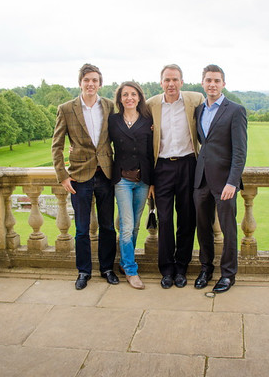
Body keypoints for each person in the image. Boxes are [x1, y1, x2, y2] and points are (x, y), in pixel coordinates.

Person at [51, 63, 119, 290]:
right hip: (79, 176)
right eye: (87, 80)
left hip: (106, 175)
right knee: (81, 229)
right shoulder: (67, 109)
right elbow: (56, 145)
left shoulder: (109, 106)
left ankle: (107, 268)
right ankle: (83, 271)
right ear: (80, 82)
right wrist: (62, 176)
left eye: (95, 80)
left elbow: (121, 136)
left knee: (108, 226)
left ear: (100, 83)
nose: (91, 84)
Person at [146, 64, 205, 289]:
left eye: (175, 80)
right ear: (161, 82)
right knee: (165, 220)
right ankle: (167, 270)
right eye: (167, 80)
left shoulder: (195, 100)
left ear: (182, 81)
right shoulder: (150, 105)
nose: (171, 84)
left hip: (188, 163)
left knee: (187, 219)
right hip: (161, 168)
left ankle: (182, 267)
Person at [193, 64, 247, 293]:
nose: (212, 84)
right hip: (200, 180)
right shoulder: (199, 110)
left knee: (228, 230)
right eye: (208, 80)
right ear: (203, 83)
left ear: (223, 83)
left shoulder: (235, 110)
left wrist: (232, 182)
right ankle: (206, 268)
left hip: (225, 183)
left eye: (216, 80)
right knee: (203, 228)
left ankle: (228, 275)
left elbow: (240, 151)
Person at [108, 81, 154, 289]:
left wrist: (152, 182)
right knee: (126, 226)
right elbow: (99, 143)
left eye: (133, 94)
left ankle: (126, 263)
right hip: (122, 181)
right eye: (125, 94)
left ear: (139, 97)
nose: (129, 98)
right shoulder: (113, 120)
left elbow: (153, 151)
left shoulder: (148, 121)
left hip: (143, 181)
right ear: (119, 98)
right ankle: (131, 270)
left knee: (135, 226)